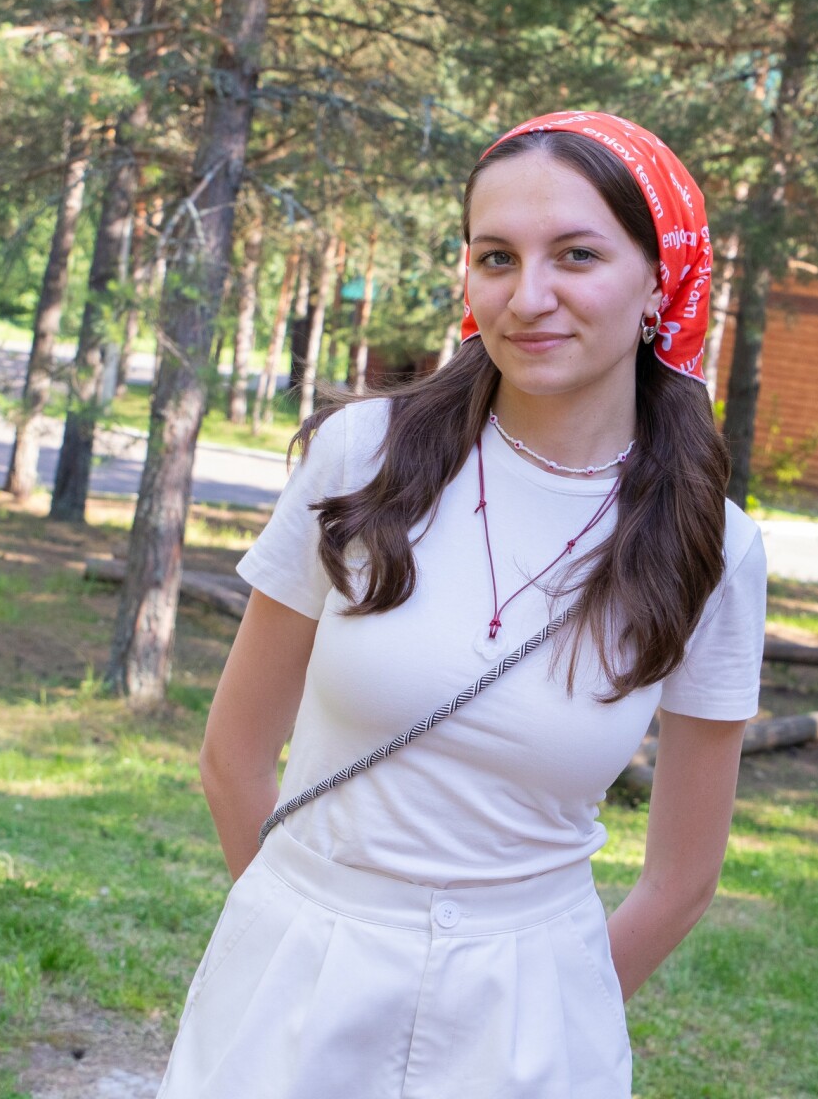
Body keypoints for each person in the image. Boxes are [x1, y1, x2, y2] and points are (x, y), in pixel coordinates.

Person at [155, 111, 765, 1098]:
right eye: (496, 257)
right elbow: (232, 757)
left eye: (577, 255)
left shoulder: (714, 549)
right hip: (295, 981)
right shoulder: (364, 457)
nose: (529, 297)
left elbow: (682, 877)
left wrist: (559, 1006)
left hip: (531, 1021)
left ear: (662, 278)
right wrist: (295, 930)